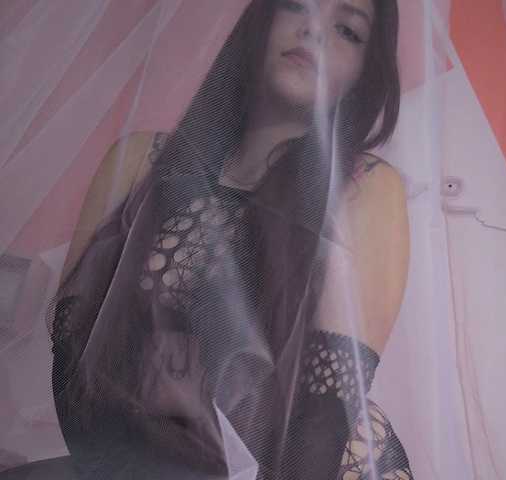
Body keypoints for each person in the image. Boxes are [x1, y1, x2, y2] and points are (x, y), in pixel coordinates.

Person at [49, 0, 411, 478]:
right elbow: (73, 359)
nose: (314, 30)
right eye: (296, 5)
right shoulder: (137, 161)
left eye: (347, 29)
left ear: (367, 69)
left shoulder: (365, 187)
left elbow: (325, 418)